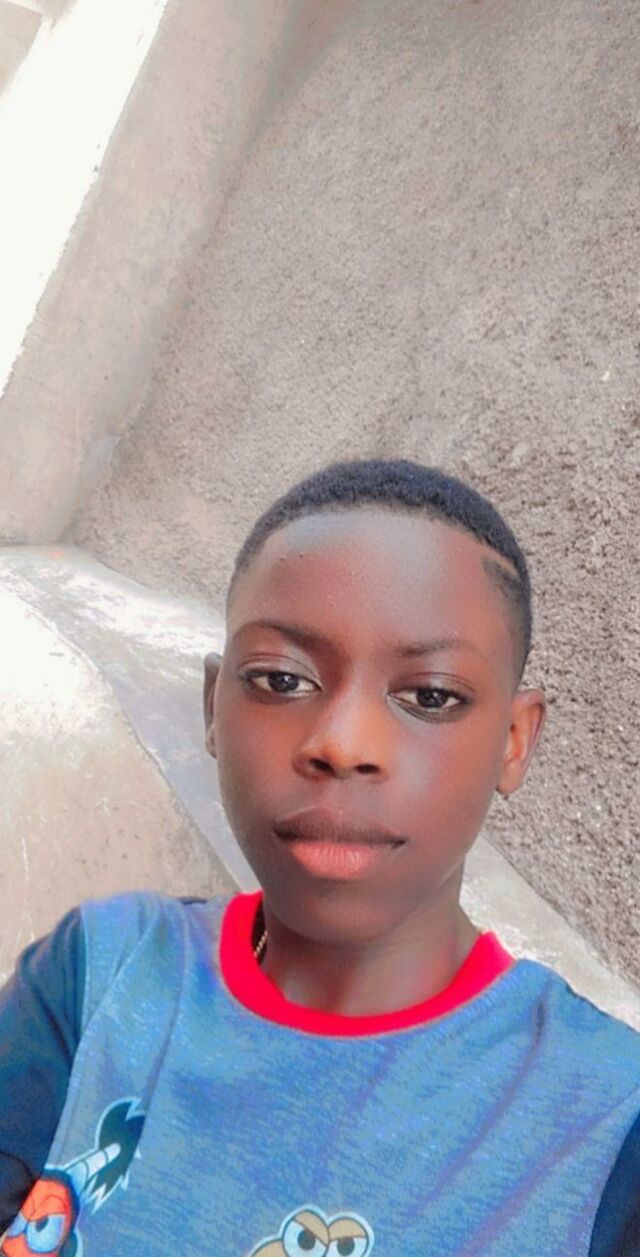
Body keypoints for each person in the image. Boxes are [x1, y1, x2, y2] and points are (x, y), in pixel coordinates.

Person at [0, 458, 638, 1256]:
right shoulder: (99, 974)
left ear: (513, 741)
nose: (342, 742)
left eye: (430, 695)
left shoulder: (608, 1124)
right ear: (213, 706)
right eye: (281, 679)